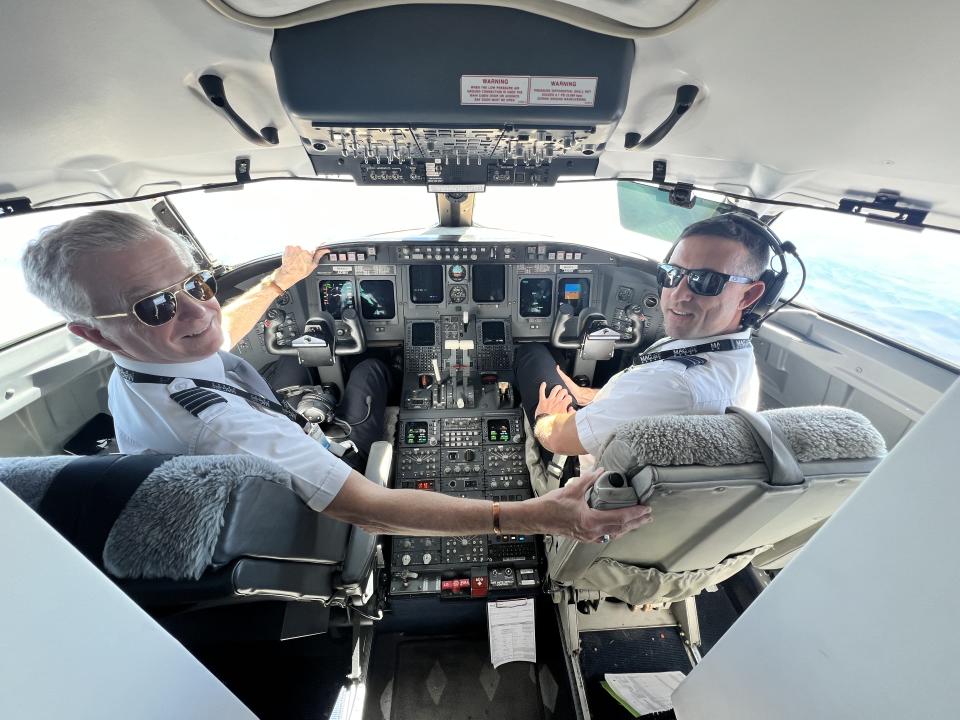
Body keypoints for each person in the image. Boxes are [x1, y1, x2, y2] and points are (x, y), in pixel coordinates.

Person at [21, 210, 651, 543]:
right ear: (92, 333)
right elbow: (368, 507)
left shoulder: (146, 368)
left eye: (196, 284)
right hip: (308, 501)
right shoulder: (225, 428)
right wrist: (538, 515)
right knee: (373, 373)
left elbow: (209, 336)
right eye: (155, 304)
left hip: (260, 474)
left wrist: (276, 283)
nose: (197, 311)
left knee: (373, 366)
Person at [516, 214, 769, 472]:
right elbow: (641, 402)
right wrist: (584, 396)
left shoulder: (673, 386)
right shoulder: (739, 356)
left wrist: (546, 418)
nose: (678, 294)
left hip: (583, 472)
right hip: (630, 464)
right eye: (672, 274)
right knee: (557, 367)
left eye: (705, 281)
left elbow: (557, 439)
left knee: (532, 353)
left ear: (749, 295)